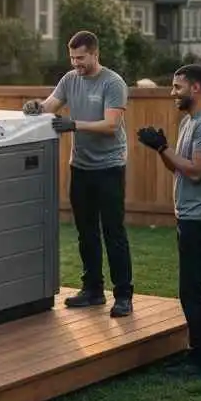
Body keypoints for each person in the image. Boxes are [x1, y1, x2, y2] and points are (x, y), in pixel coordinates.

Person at [23, 30, 135, 317]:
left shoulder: (113, 83)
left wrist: (73, 125)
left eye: (81, 58)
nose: (76, 63)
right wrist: (36, 108)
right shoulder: (69, 79)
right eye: (72, 58)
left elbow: (111, 125)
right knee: (86, 233)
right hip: (81, 167)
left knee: (114, 232)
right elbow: (50, 106)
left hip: (109, 167)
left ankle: (123, 295)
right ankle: (93, 290)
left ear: (95, 54)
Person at [136, 63, 201, 375]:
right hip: (191, 215)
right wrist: (161, 149)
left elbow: (197, 171)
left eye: (178, 87)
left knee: (194, 289)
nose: (172, 92)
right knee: (199, 287)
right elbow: (178, 167)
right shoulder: (190, 122)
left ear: (196, 88)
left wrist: (164, 146)